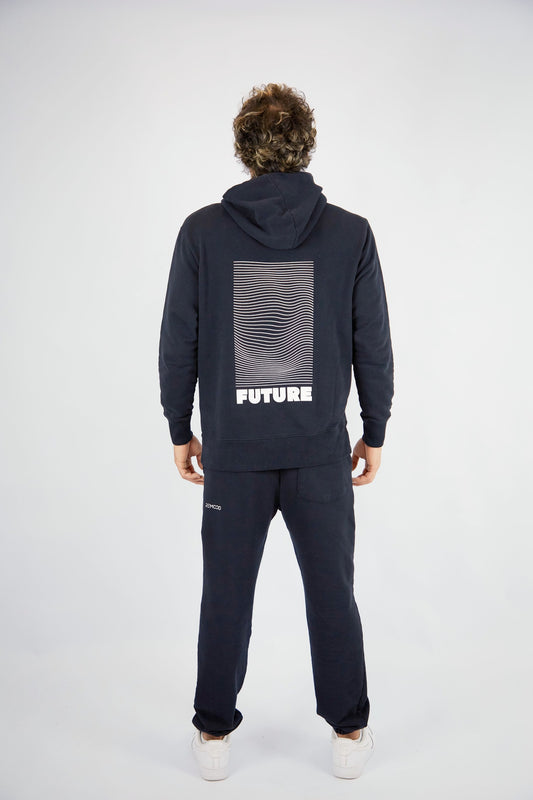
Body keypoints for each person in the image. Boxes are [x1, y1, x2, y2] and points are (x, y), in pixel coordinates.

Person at [158, 82, 394, 781]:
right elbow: (372, 342)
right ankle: (350, 732)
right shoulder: (350, 233)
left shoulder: (202, 232)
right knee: (333, 593)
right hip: (320, 451)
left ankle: (212, 735)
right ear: (305, 143)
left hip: (233, 453)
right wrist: (374, 429)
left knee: (225, 594)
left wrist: (180, 426)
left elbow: (178, 339)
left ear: (244, 148)